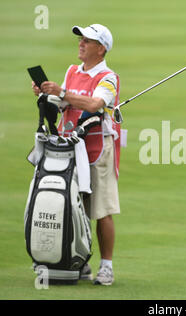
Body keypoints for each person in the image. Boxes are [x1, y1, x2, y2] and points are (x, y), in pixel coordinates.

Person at [32, 23, 121, 286]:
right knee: (72, 206)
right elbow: (63, 104)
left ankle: (107, 267)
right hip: (68, 147)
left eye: (87, 40)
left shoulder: (108, 77)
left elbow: (95, 104)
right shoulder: (72, 71)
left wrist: (61, 93)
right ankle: (78, 260)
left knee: (101, 209)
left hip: (97, 148)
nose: (81, 43)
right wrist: (46, 94)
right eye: (81, 39)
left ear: (101, 48)